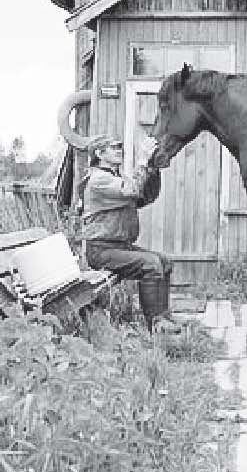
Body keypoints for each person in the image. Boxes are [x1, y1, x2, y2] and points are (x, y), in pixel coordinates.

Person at [77, 133, 181, 333]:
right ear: (99, 153)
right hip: (101, 250)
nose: (119, 150)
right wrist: (142, 161)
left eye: (120, 146)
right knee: (150, 265)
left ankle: (165, 317)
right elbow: (132, 190)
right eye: (114, 147)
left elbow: (143, 197)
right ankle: (155, 324)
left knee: (164, 262)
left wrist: (152, 168)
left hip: (119, 247)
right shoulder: (98, 180)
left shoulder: (115, 178)